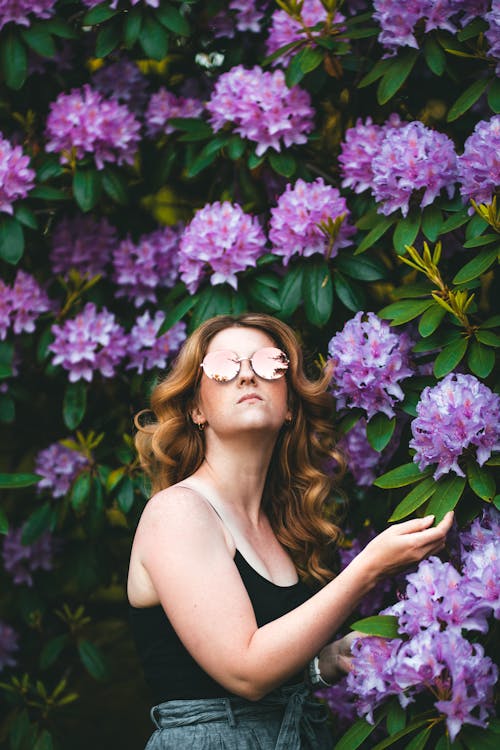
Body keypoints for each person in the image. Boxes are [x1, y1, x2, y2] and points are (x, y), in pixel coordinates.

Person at [127, 312, 453, 750]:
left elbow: (266, 661)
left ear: (289, 408)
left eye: (268, 364)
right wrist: (368, 570)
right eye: (224, 366)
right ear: (196, 409)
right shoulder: (179, 512)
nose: (246, 376)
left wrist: (328, 659)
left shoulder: (275, 526)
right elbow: (246, 671)